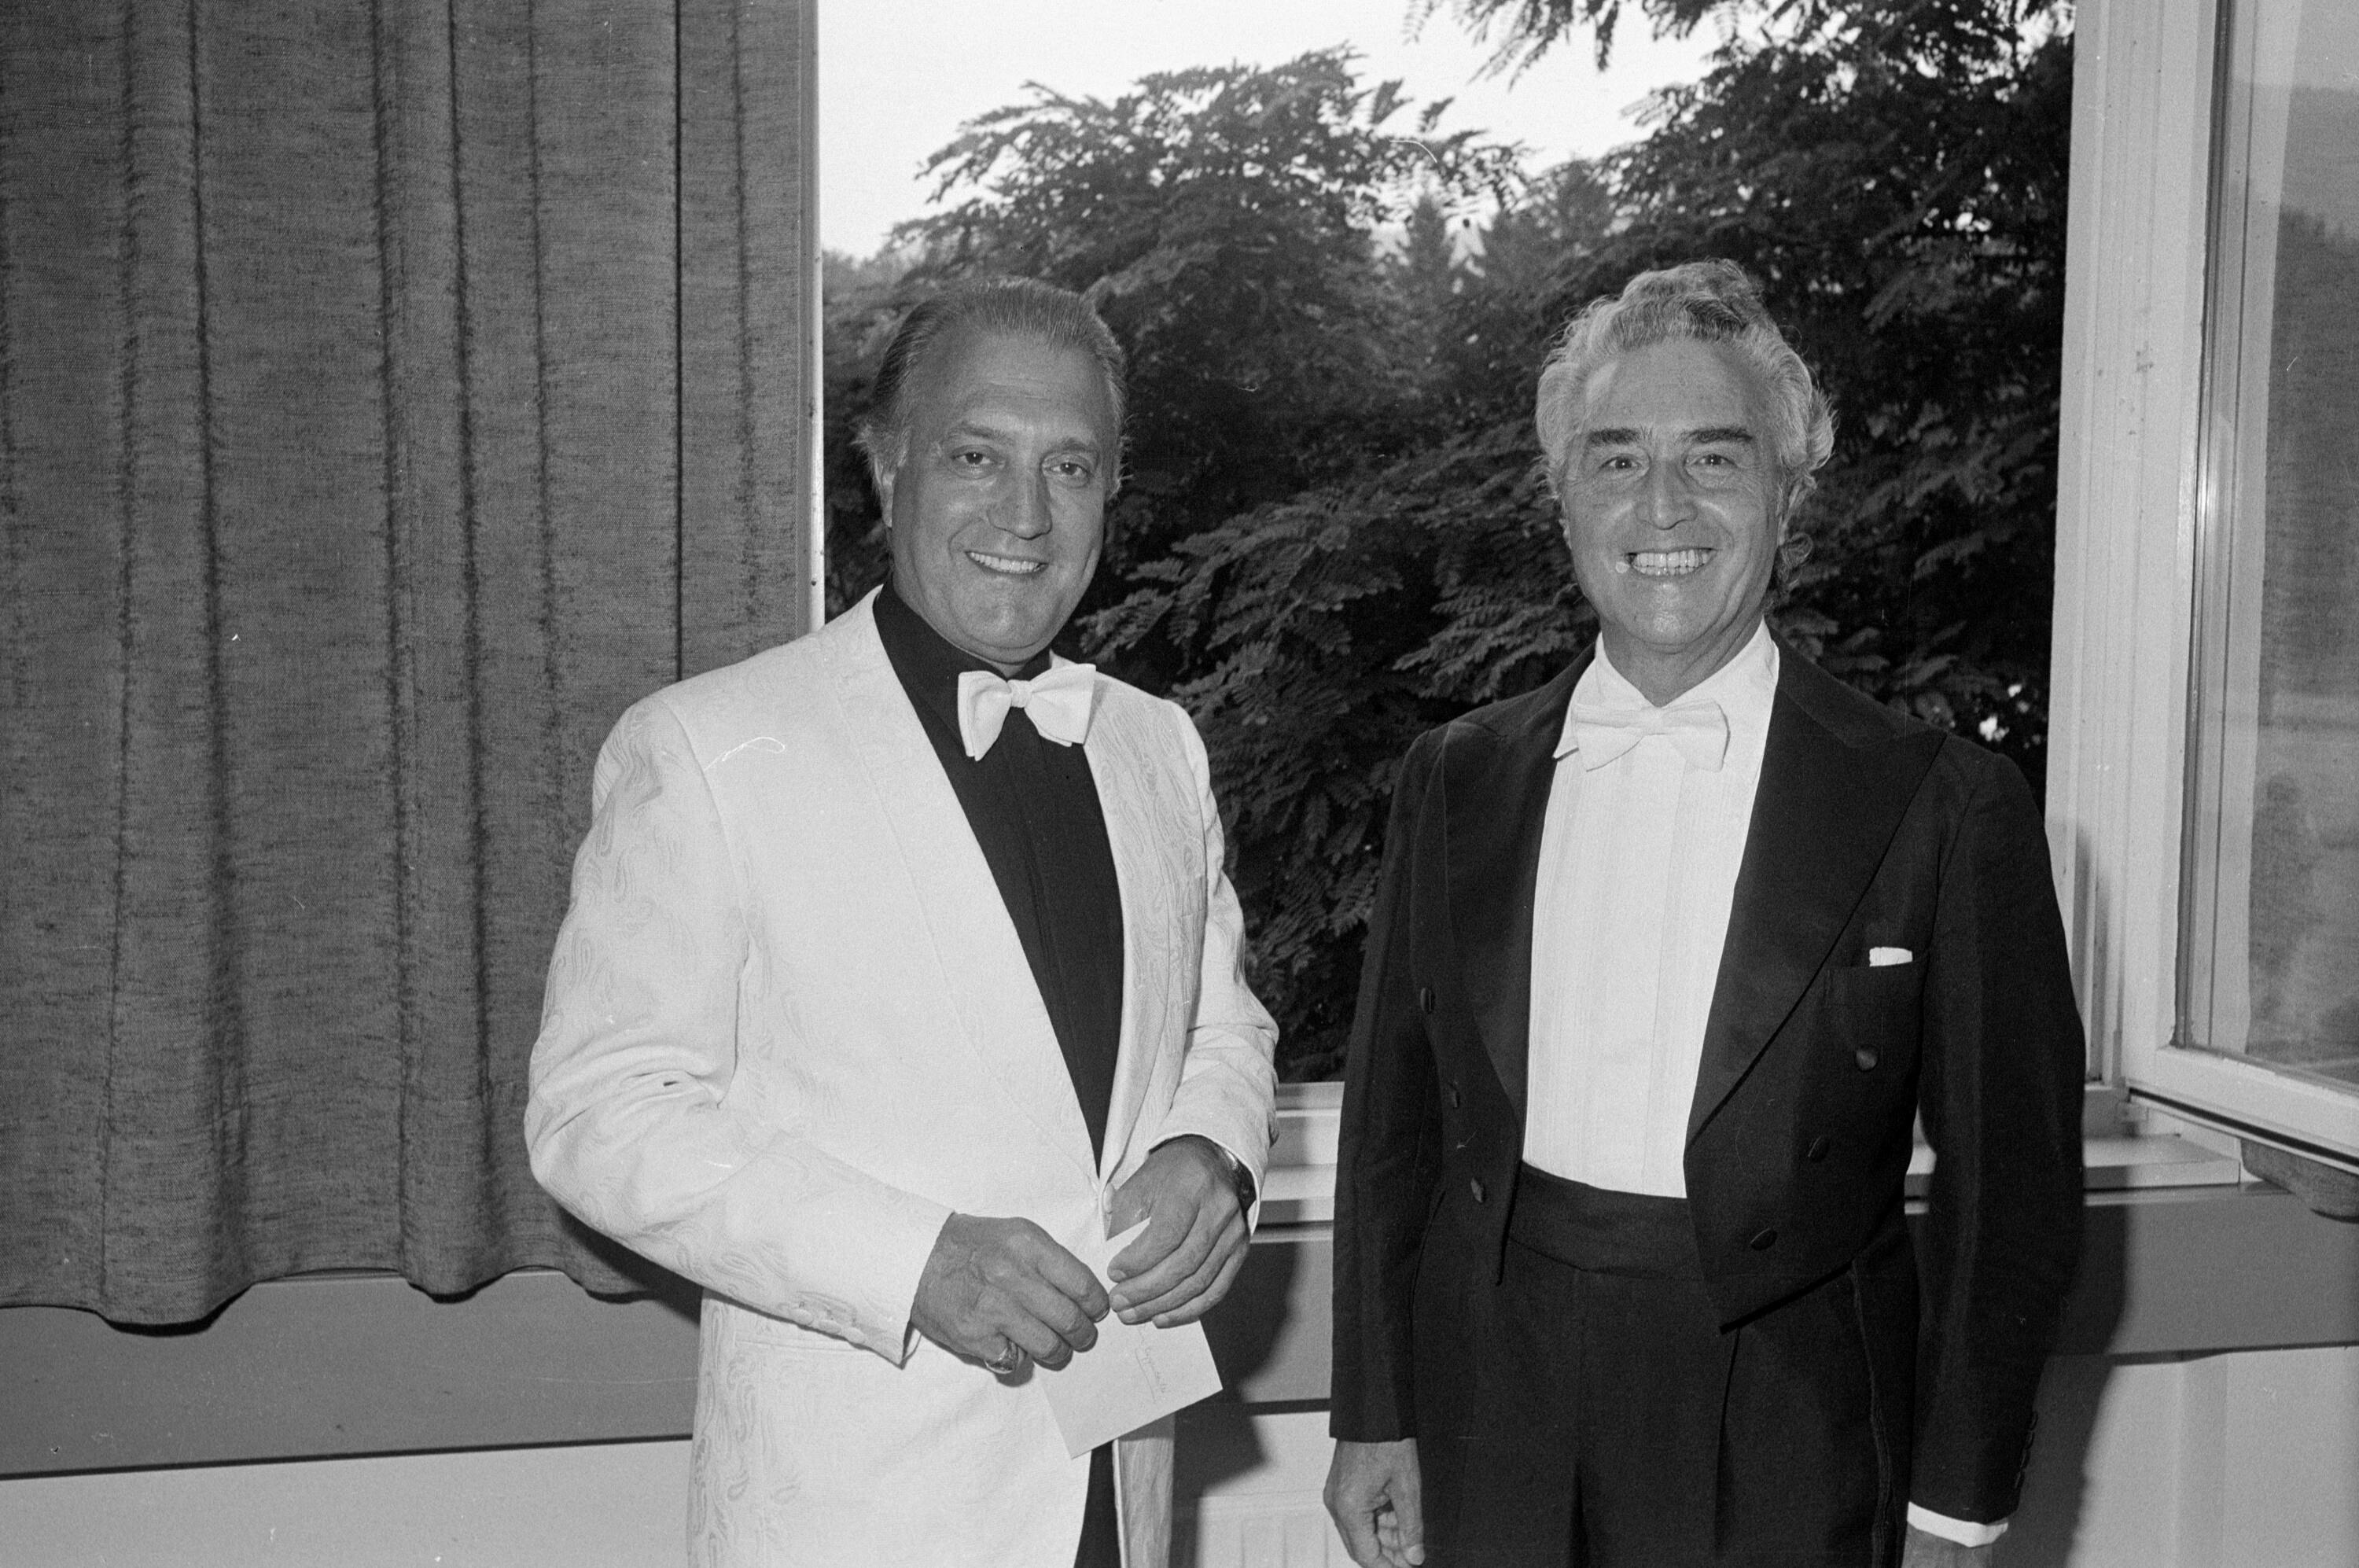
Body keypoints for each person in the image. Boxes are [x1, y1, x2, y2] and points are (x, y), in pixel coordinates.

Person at [1323, 260, 2083, 1568]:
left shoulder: (1942, 802)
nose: (1661, 504)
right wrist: (1374, 1409)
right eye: (1616, 459)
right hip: (1491, 1399)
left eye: (1714, 459)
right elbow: (1391, 1133)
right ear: (1563, 496)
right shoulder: (1454, 778)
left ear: (1789, 495)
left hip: (1794, 1418)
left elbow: (2010, 1190)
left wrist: (1956, 1505)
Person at [528, 277, 1278, 1568]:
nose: (1026, 515)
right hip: (862, 1516)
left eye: (1070, 467)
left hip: (1119, 1485)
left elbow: (1224, 1022)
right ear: (888, 467)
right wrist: (911, 1261)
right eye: (978, 456)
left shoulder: (1157, 746)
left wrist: (1215, 1154)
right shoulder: (706, 749)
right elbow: (598, 1111)